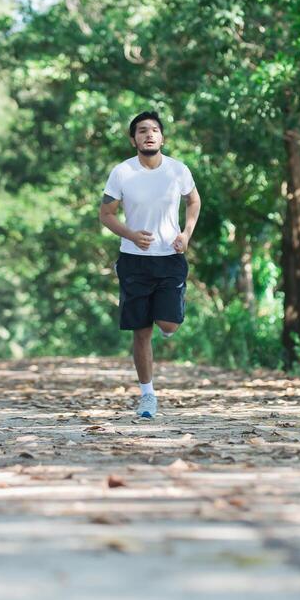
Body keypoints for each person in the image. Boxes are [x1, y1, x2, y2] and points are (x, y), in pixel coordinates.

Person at [98, 109, 201, 419]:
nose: (149, 134)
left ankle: (167, 314)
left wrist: (186, 233)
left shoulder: (178, 170)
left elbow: (193, 200)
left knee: (169, 324)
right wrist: (130, 234)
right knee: (141, 332)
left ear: (162, 137)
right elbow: (106, 214)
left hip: (170, 258)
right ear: (134, 140)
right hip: (134, 261)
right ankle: (147, 395)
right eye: (142, 130)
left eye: (154, 129)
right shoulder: (122, 173)